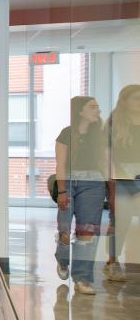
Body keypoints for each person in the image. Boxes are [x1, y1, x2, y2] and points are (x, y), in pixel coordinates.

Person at [52, 96, 107, 295]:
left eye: (97, 106)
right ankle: (63, 259)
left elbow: (105, 162)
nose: (97, 110)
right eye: (92, 107)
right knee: (65, 230)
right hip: (69, 183)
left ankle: (83, 278)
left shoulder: (99, 135)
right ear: (80, 111)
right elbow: (60, 164)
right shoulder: (67, 134)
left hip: (94, 185)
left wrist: (109, 187)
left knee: (87, 233)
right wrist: (63, 190)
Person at [106, 85, 140, 283]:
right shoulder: (115, 124)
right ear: (125, 101)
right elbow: (109, 156)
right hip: (121, 178)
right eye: (136, 98)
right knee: (121, 220)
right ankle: (112, 262)